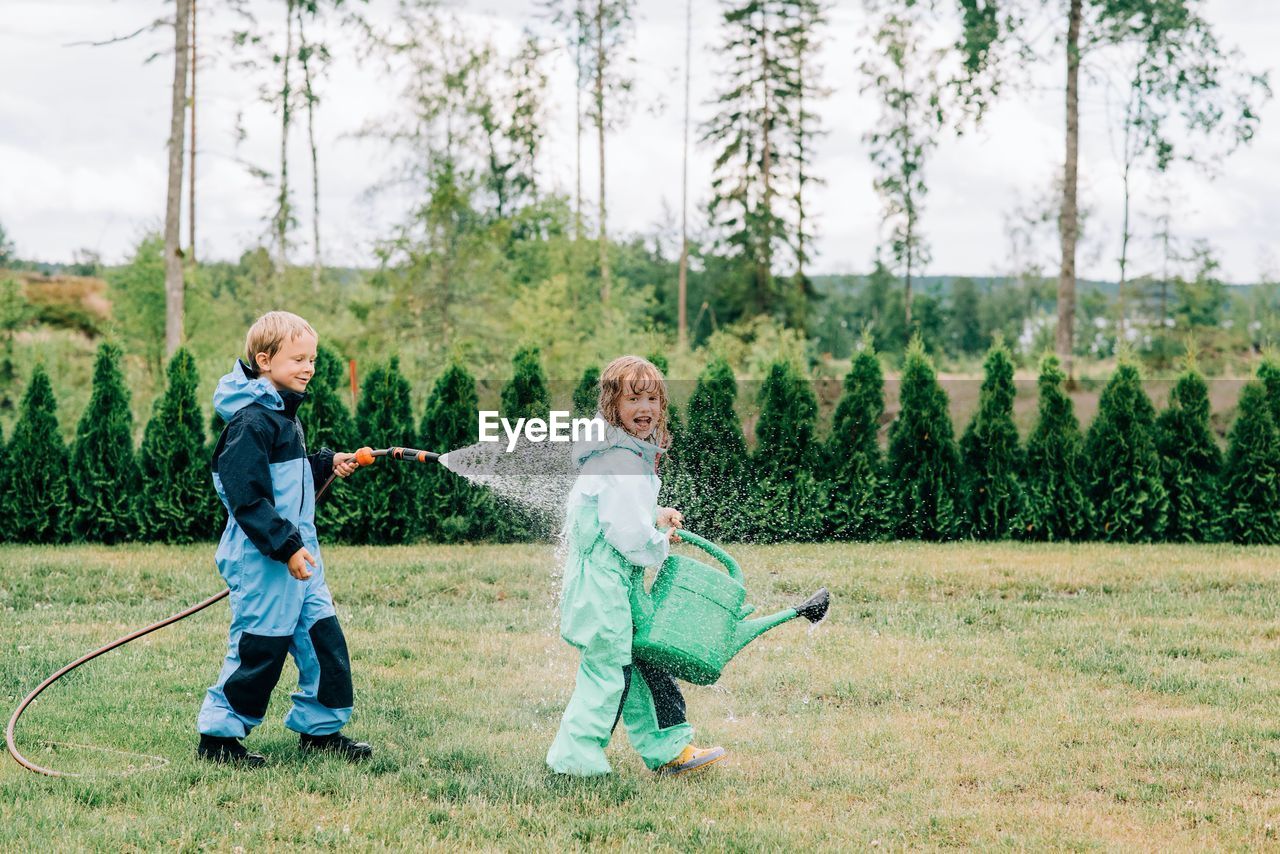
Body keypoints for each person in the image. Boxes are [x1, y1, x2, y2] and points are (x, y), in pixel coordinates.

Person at [196, 311, 371, 766]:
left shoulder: (284, 415)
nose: (309, 367)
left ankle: (321, 730)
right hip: (265, 558)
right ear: (264, 360)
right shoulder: (250, 424)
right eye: (298, 358)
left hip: (299, 556)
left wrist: (326, 464)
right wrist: (287, 547)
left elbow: (288, 484)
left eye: (312, 358)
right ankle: (218, 740)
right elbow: (249, 500)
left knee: (323, 641)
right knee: (260, 647)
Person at [547, 355, 726, 776]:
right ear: (613, 407)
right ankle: (573, 763)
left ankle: (670, 751)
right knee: (608, 675)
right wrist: (657, 541)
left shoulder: (622, 454)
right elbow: (627, 537)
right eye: (634, 399)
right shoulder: (620, 460)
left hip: (613, 585)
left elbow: (619, 514)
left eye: (652, 398)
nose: (645, 408)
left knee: (644, 664)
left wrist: (655, 516)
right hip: (604, 590)